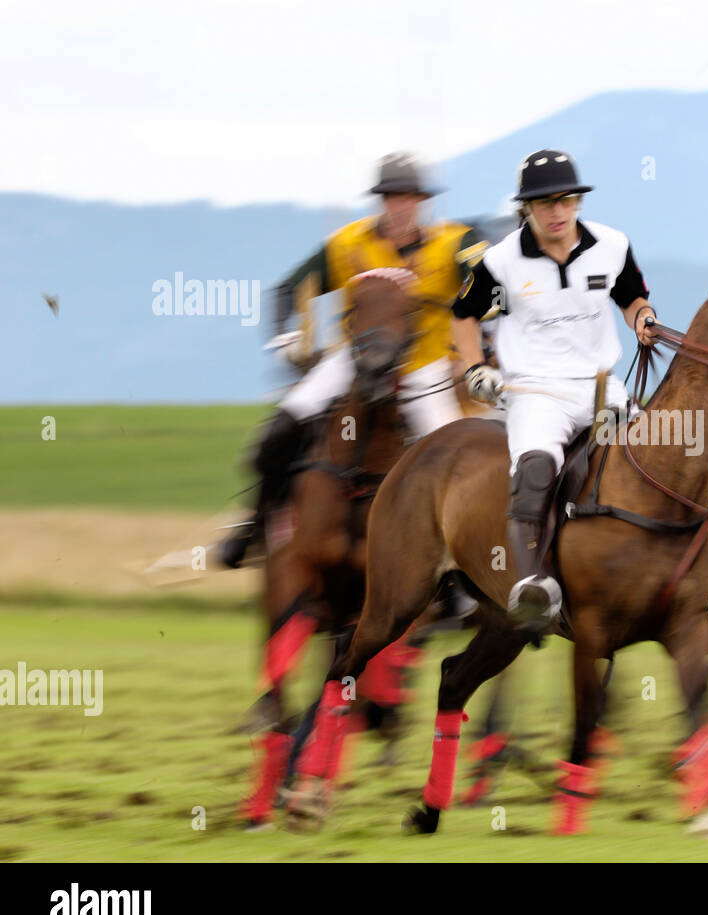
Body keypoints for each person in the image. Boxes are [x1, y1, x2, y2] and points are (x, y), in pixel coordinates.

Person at [220, 153, 488, 568]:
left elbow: (491, 287)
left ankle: (457, 563)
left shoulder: (456, 242)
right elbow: (288, 289)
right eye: (392, 198)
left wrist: (476, 344)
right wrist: (285, 336)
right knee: (282, 426)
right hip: (354, 359)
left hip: (424, 367)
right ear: (381, 201)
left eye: (410, 198)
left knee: (454, 458)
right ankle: (255, 524)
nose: (401, 206)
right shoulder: (349, 243)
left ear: (422, 201)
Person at [451, 148, 656, 630]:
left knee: (660, 460)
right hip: (535, 392)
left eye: (565, 200)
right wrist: (475, 367)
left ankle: (693, 585)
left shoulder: (612, 244)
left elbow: (631, 298)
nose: (557, 211)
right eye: (545, 203)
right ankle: (534, 582)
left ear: (577, 202)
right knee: (537, 466)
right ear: (527, 208)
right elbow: (462, 316)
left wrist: (643, 320)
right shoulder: (499, 262)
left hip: (603, 386)